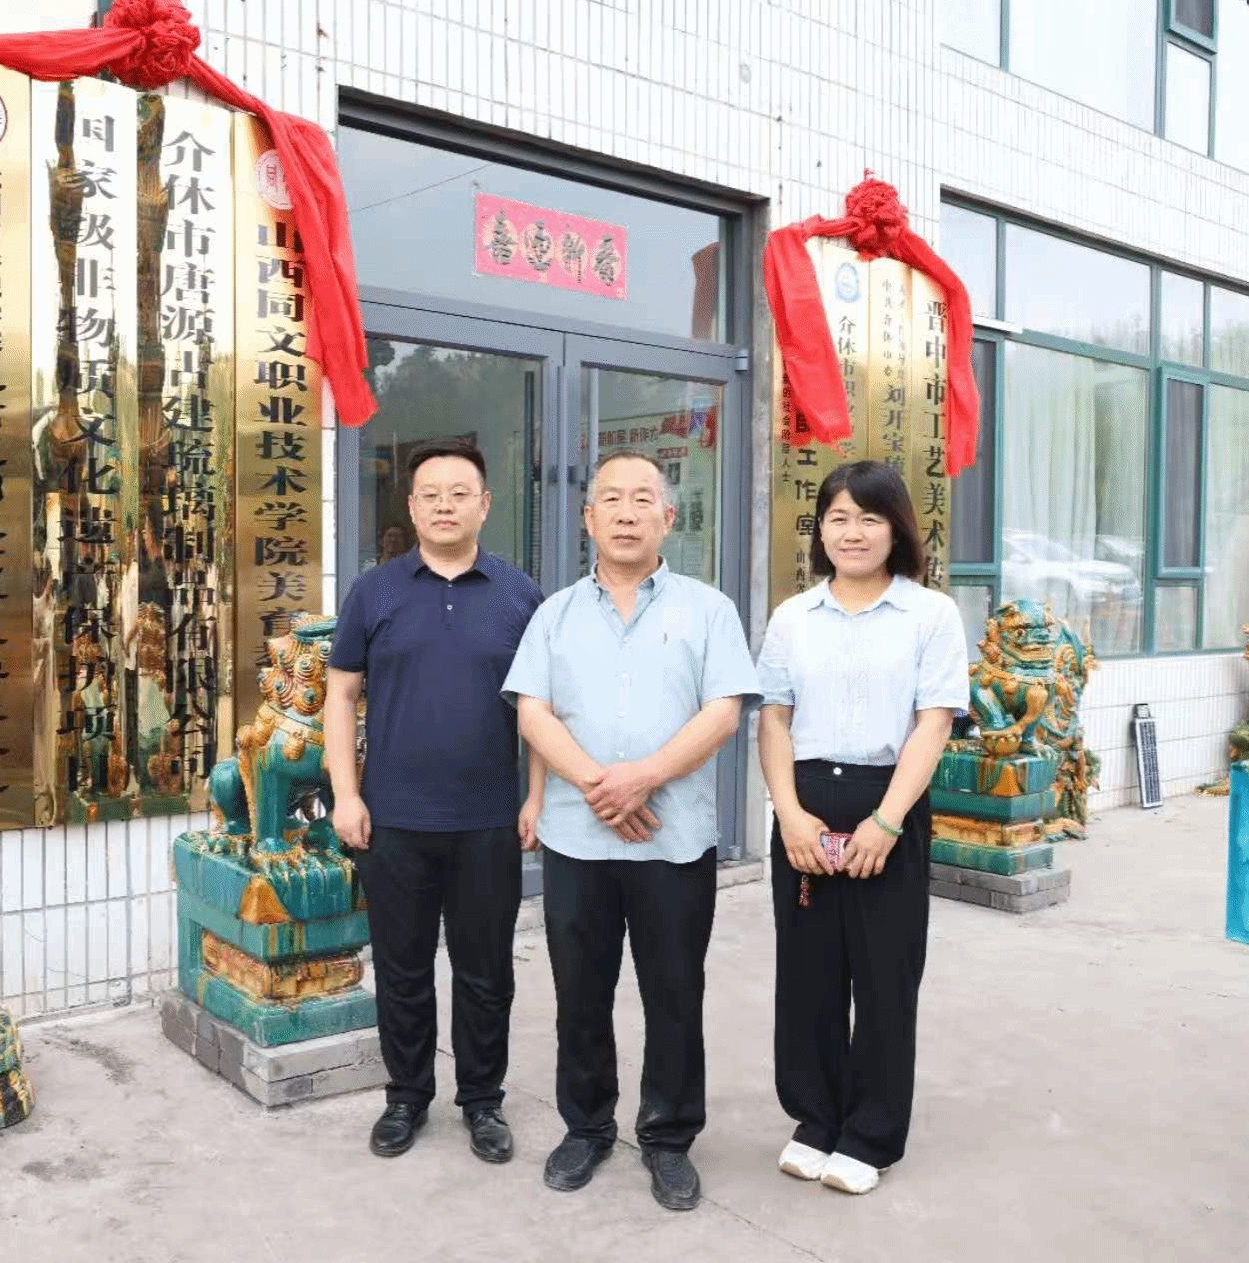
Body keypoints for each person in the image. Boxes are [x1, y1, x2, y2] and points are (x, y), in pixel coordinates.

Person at [503, 450, 758, 1210]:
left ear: (667, 518)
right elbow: (533, 712)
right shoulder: (554, 614)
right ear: (587, 519)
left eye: (641, 499)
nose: (625, 512)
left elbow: (724, 711)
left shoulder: (709, 610)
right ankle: (586, 1127)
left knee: (674, 993)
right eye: (609, 499)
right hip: (576, 840)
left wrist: (644, 776)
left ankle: (669, 1137)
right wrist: (598, 784)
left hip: (672, 840)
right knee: (580, 993)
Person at [324, 439, 545, 1165]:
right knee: (403, 970)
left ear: (485, 505)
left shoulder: (520, 595)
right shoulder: (374, 591)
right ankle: (406, 1097)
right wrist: (346, 794)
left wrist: (537, 796)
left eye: (460, 493)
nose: (445, 505)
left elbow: (541, 708)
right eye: (431, 494)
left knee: (486, 974)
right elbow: (340, 696)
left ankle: (482, 1100)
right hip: (393, 819)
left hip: (488, 820)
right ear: (412, 507)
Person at [754, 458, 969, 1196]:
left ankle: (870, 1134)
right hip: (807, 799)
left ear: (896, 529)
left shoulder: (931, 615)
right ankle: (815, 1119)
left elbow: (933, 723)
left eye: (869, 518)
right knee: (807, 974)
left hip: (889, 798)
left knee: (884, 976)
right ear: (820, 530)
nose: (852, 532)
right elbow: (774, 720)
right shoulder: (793, 617)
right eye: (838, 517)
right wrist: (789, 815)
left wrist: (887, 821)